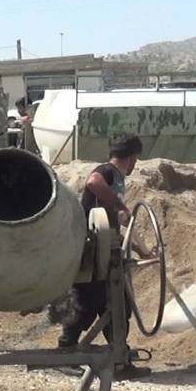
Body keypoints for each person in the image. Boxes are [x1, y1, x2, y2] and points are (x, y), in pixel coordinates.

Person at [56, 134, 154, 378]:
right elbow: (93, 182)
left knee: (116, 305)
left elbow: (115, 229)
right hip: (90, 253)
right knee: (88, 303)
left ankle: (119, 361)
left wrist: (142, 250)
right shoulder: (107, 172)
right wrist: (121, 206)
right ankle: (65, 353)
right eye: (136, 160)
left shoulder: (117, 180)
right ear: (132, 157)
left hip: (106, 251)